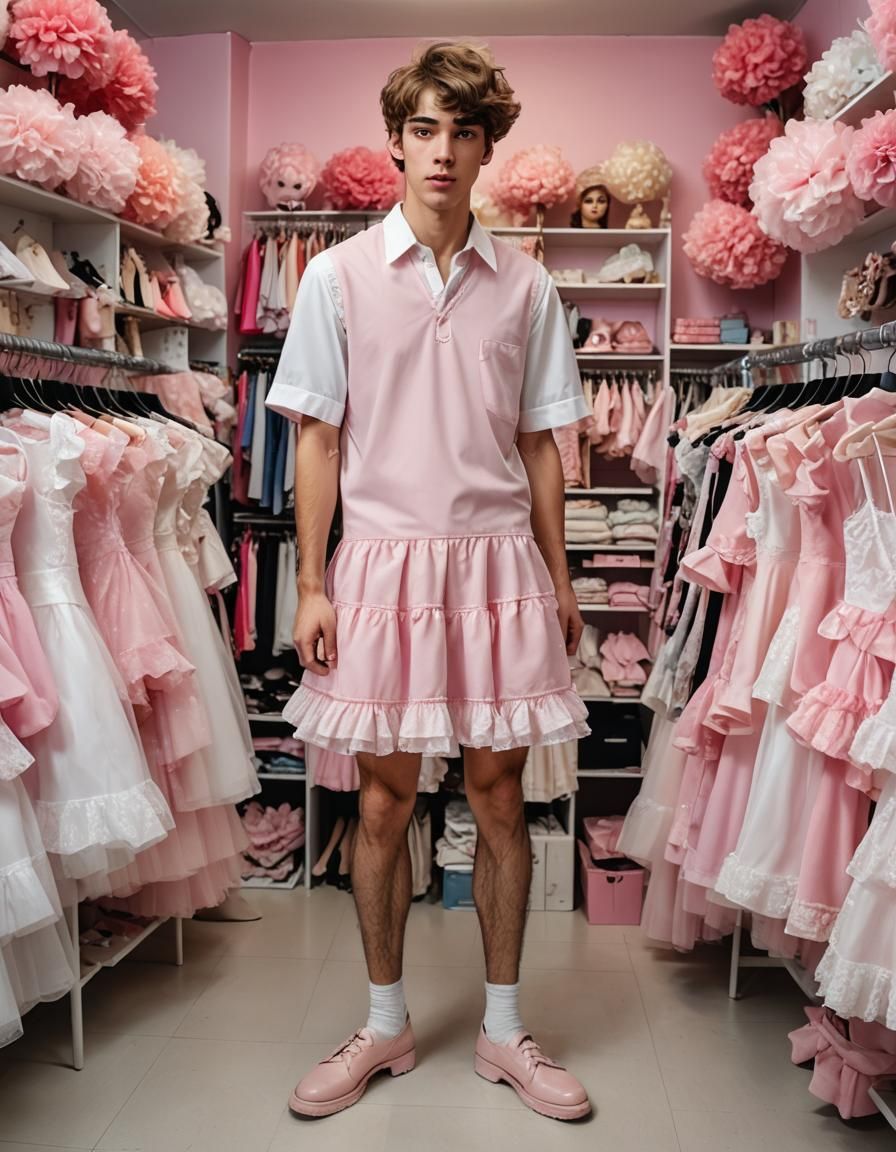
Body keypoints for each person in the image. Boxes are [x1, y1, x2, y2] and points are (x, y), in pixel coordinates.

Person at [266, 40, 592, 1122]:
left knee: (499, 797)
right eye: (423, 129)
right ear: (397, 138)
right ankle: (384, 1022)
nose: (442, 150)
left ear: (485, 146)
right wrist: (311, 582)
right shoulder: (336, 274)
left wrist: (558, 578)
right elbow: (315, 439)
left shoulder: (529, 284)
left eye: (462, 130)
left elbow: (543, 445)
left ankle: (503, 1033)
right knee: (380, 801)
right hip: (382, 565)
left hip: (497, 563)